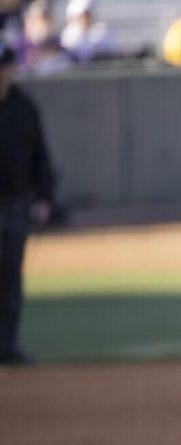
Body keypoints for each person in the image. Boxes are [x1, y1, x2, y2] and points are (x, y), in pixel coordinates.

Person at [0, 39, 55, 366]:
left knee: (10, 278)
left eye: (4, 66)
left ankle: (8, 346)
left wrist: (44, 197)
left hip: (16, 203)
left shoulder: (24, 107)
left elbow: (40, 157)